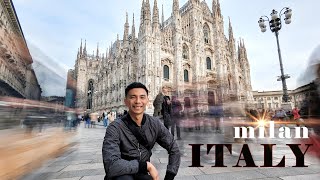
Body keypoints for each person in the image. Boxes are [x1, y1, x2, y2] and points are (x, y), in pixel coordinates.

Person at [102, 82, 180, 180]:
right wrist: (146, 166)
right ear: (126, 101)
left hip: (141, 174)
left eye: (142, 97)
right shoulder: (115, 127)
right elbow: (111, 165)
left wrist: (170, 175)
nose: (138, 101)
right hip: (120, 175)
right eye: (133, 97)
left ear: (147, 100)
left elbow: (174, 148)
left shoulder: (154, 124)